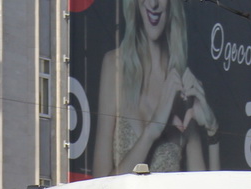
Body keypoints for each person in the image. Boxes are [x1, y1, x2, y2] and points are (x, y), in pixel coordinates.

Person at [92, 0, 219, 177]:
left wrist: (213, 133)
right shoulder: (115, 67)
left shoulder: (185, 87)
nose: (153, 4)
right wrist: (152, 131)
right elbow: (100, 186)